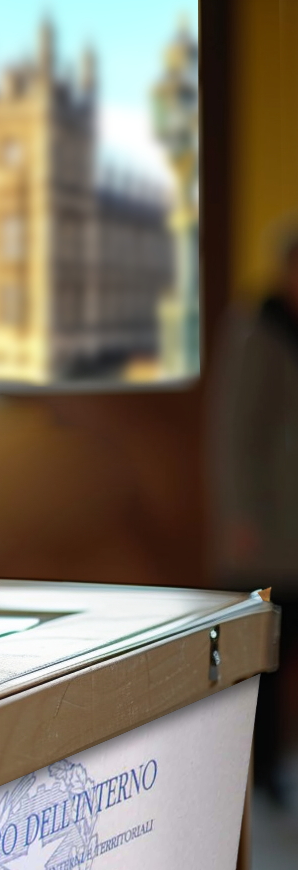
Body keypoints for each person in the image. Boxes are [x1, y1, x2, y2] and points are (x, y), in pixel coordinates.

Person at [212, 231, 298, 811]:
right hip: (266, 531)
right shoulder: (257, 330)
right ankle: (257, 771)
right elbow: (235, 434)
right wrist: (240, 514)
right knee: (265, 651)